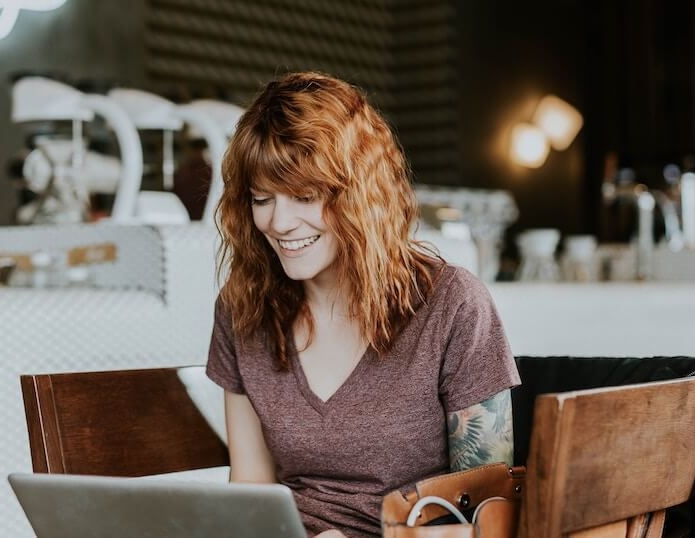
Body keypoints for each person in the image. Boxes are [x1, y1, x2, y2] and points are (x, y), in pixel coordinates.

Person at [206, 72, 520, 538]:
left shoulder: (452, 305)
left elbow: (492, 519)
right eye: (262, 199)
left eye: (305, 197)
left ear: (359, 195)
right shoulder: (243, 309)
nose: (279, 222)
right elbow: (250, 492)